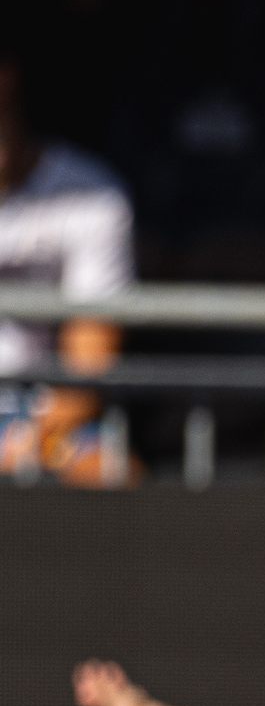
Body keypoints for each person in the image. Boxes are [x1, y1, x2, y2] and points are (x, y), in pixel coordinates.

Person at [0, 45, 128, 487]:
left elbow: (87, 371)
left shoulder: (89, 194)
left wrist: (27, 444)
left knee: (114, 478)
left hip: (41, 415)